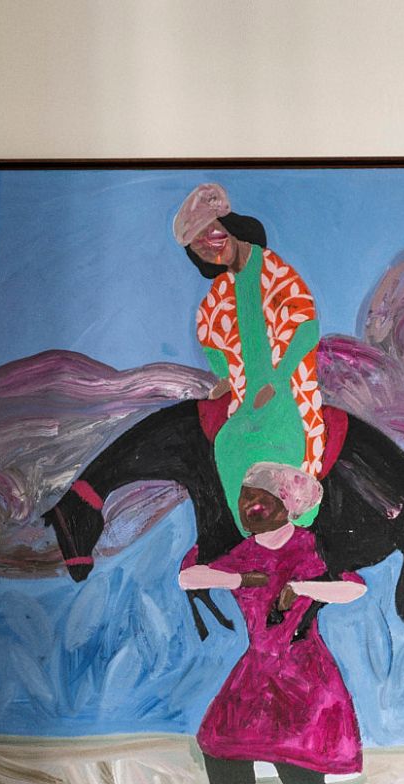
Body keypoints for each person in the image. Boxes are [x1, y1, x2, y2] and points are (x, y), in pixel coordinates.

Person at [179, 461, 365, 784]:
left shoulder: (310, 546)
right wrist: (241, 577)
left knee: (292, 756)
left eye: (261, 499)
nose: (249, 507)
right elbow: (188, 577)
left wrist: (300, 588)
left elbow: (354, 587)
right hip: (259, 667)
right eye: (245, 497)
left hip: (303, 670)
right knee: (220, 744)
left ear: (288, 505)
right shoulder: (246, 552)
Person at [174, 181, 325, 528]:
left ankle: (292, 529)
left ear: (230, 227)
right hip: (246, 398)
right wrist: (225, 378)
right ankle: (248, 533)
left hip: (286, 390)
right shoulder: (219, 293)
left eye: (213, 235)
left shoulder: (276, 271)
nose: (211, 248)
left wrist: (278, 378)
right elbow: (210, 340)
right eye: (200, 247)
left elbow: (307, 328)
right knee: (227, 442)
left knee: (277, 451)